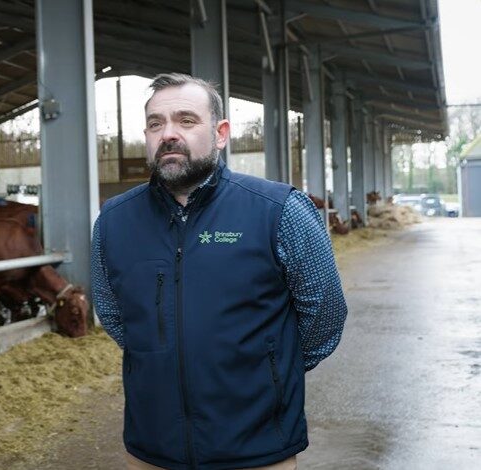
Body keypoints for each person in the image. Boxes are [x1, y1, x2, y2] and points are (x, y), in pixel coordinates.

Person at [90, 73, 347, 470]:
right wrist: (163, 356)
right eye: (156, 124)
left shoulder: (278, 210)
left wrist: (271, 368)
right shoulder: (114, 220)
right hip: (152, 448)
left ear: (221, 133)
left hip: (258, 448)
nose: (168, 134)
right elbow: (113, 314)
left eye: (186, 120)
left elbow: (325, 313)